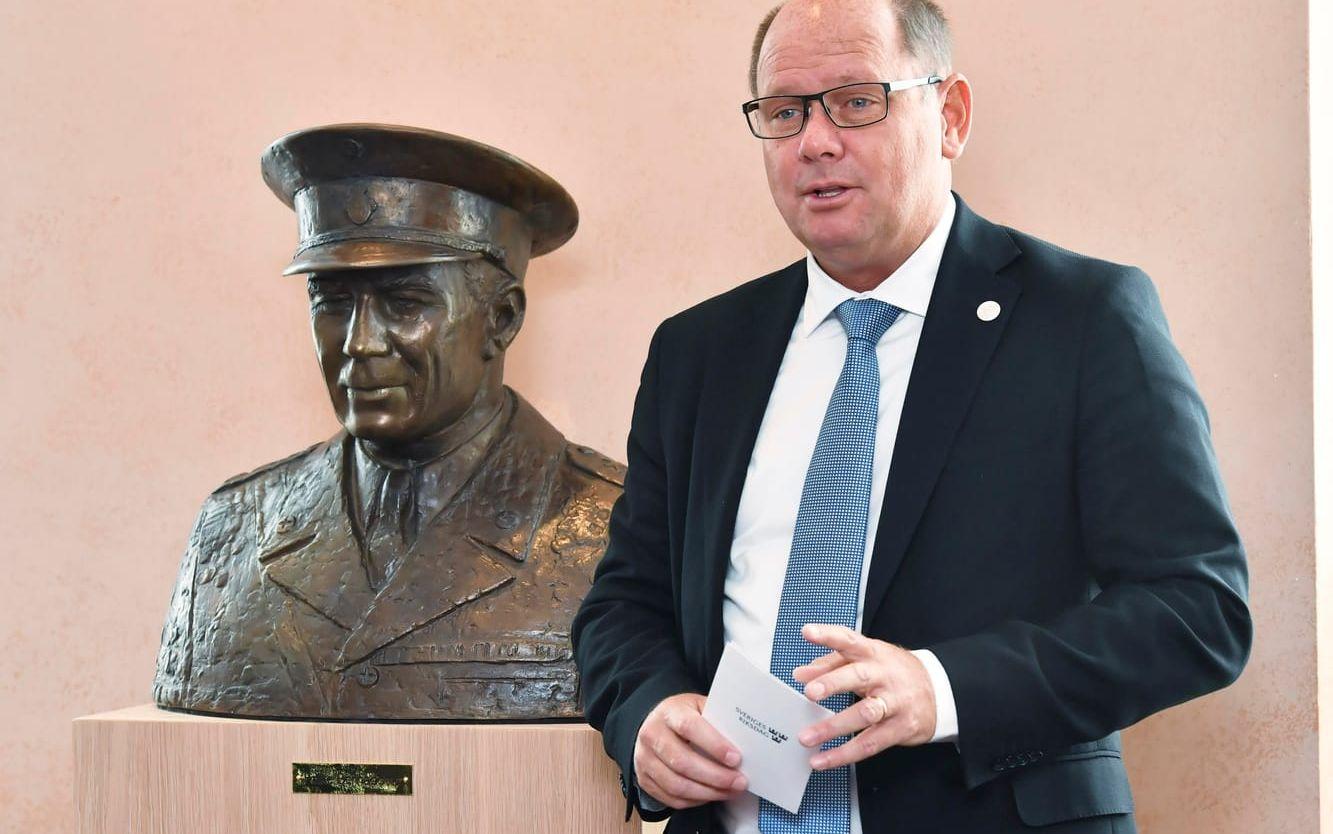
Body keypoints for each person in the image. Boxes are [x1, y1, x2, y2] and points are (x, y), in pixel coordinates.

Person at [571, 2, 1251, 832]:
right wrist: (646, 711)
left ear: (949, 116)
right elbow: (623, 603)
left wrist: (943, 687)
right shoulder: (699, 351)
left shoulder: (1082, 319)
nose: (815, 142)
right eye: (784, 112)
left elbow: (1196, 610)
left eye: (856, 101)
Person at [154, 124, 625, 721]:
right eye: (333, 303)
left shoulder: (615, 527)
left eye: (405, 304)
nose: (360, 342)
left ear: (501, 319)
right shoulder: (232, 529)